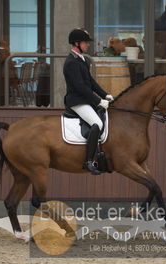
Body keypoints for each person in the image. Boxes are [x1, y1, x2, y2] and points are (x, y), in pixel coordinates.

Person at [63, 28, 114, 175]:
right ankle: (89, 161)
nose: (88, 45)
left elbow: (90, 82)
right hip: (77, 101)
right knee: (96, 123)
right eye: (86, 42)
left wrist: (105, 95)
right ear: (77, 43)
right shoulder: (71, 62)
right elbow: (80, 87)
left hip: (85, 99)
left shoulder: (82, 59)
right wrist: (98, 101)